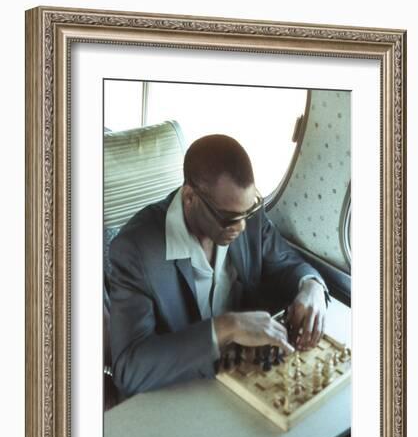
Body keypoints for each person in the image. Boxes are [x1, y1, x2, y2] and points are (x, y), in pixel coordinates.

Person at [109, 134, 329, 398]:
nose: (241, 227)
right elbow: (130, 370)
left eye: (248, 213)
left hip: (243, 377)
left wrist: (311, 286)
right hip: (180, 390)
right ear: (189, 197)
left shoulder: (245, 214)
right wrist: (225, 327)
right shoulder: (135, 250)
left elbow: (286, 263)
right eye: (229, 218)